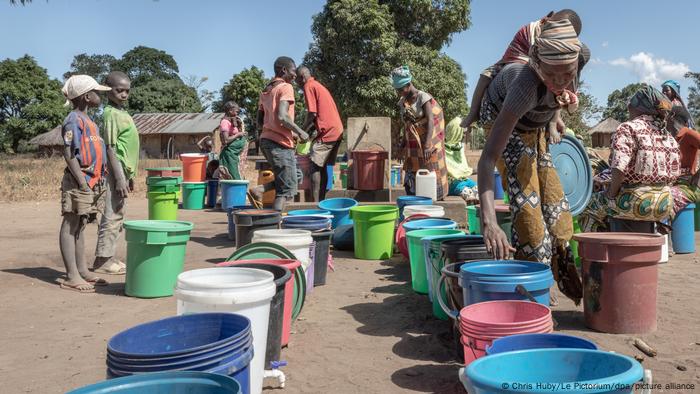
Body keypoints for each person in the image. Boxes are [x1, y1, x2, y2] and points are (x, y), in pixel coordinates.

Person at [477, 19, 583, 302]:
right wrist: (488, 221)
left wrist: (556, 117)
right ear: (536, 63)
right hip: (504, 124)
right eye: (552, 73)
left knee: (560, 217)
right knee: (531, 223)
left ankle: (555, 272)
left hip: (535, 125)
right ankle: (530, 297)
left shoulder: (580, 57)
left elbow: (562, 90)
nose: (560, 80)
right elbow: (487, 159)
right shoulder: (524, 85)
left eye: (567, 73)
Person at [462, 9, 589, 144]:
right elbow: (532, 59)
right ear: (549, 20)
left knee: (565, 76)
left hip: (550, 74)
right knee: (486, 74)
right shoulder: (532, 31)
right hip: (518, 60)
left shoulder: (569, 49)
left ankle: (553, 120)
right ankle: (473, 112)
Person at [579, 86, 681, 232]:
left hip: (636, 202)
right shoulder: (667, 134)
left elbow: (619, 168)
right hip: (664, 203)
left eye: (631, 104)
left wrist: (611, 194)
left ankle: (597, 250)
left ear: (639, 107)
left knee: (589, 206)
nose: (628, 107)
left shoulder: (628, 128)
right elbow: (672, 175)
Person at [58, 75, 111, 292]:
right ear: (86, 96)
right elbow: (69, 153)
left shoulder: (90, 122)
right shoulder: (73, 120)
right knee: (71, 224)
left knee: (80, 225)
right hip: (80, 181)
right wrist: (81, 181)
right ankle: (71, 275)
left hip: (92, 181)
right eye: (97, 92)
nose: (100, 95)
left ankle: (82, 270)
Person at [92, 72, 139, 275]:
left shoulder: (123, 113)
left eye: (127, 91)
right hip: (115, 170)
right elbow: (110, 148)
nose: (124, 94)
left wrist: (130, 176)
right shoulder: (110, 113)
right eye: (119, 90)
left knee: (118, 213)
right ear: (107, 90)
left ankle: (109, 256)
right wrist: (119, 178)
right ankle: (102, 260)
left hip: (123, 171)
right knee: (112, 213)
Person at [252, 57, 309, 211]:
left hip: (267, 141)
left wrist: (275, 128)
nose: (295, 75)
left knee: (295, 176)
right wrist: (300, 131)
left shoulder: (266, 90)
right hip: (280, 144)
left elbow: (259, 121)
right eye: (293, 71)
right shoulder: (285, 87)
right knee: (285, 190)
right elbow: (282, 117)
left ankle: (260, 190)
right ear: (284, 70)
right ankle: (276, 225)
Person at [391, 65, 449, 200]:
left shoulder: (423, 97)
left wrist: (428, 145)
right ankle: (415, 197)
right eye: (397, 90)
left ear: (408, 84)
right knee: (412, 170)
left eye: (401, 89)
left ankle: (436, 196)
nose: (399, 92)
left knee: (432, 168)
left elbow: (431, 121)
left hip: (428, 140)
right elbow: (407, 126)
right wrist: (401, 147)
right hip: (413, 145)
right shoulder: (402, 102)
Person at [296, 66, 344, 202]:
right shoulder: (318, 85)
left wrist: (301, 130)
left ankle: (315, 203)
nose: (297, 84)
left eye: (297, 81)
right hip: (336, 129)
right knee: (321, 167)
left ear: (302, 77)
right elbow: (318, 115)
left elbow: (312, 113)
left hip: (328, 132)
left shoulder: (308, 86)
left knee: (314, 165)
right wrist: (309, 131)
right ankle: (321, 201)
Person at [444, 116, 478, 202]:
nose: (463, 135)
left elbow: (463, 168)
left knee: (478, 189)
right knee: (466, 192)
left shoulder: (459, 148)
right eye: (461, 132)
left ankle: (476, 208)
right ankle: (470, 202)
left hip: (465, 180)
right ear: (455, 132)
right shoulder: (443, 150)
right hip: (451, 183)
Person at [218, 101, 248, 180]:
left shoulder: (230, 121)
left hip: (234, 153)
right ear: (230, 111)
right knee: (232, 173)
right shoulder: (224, 122)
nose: (237, 113)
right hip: (230, 154)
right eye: (236, 111)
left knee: (236, 172)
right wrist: (238, 135)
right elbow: (226, 140)